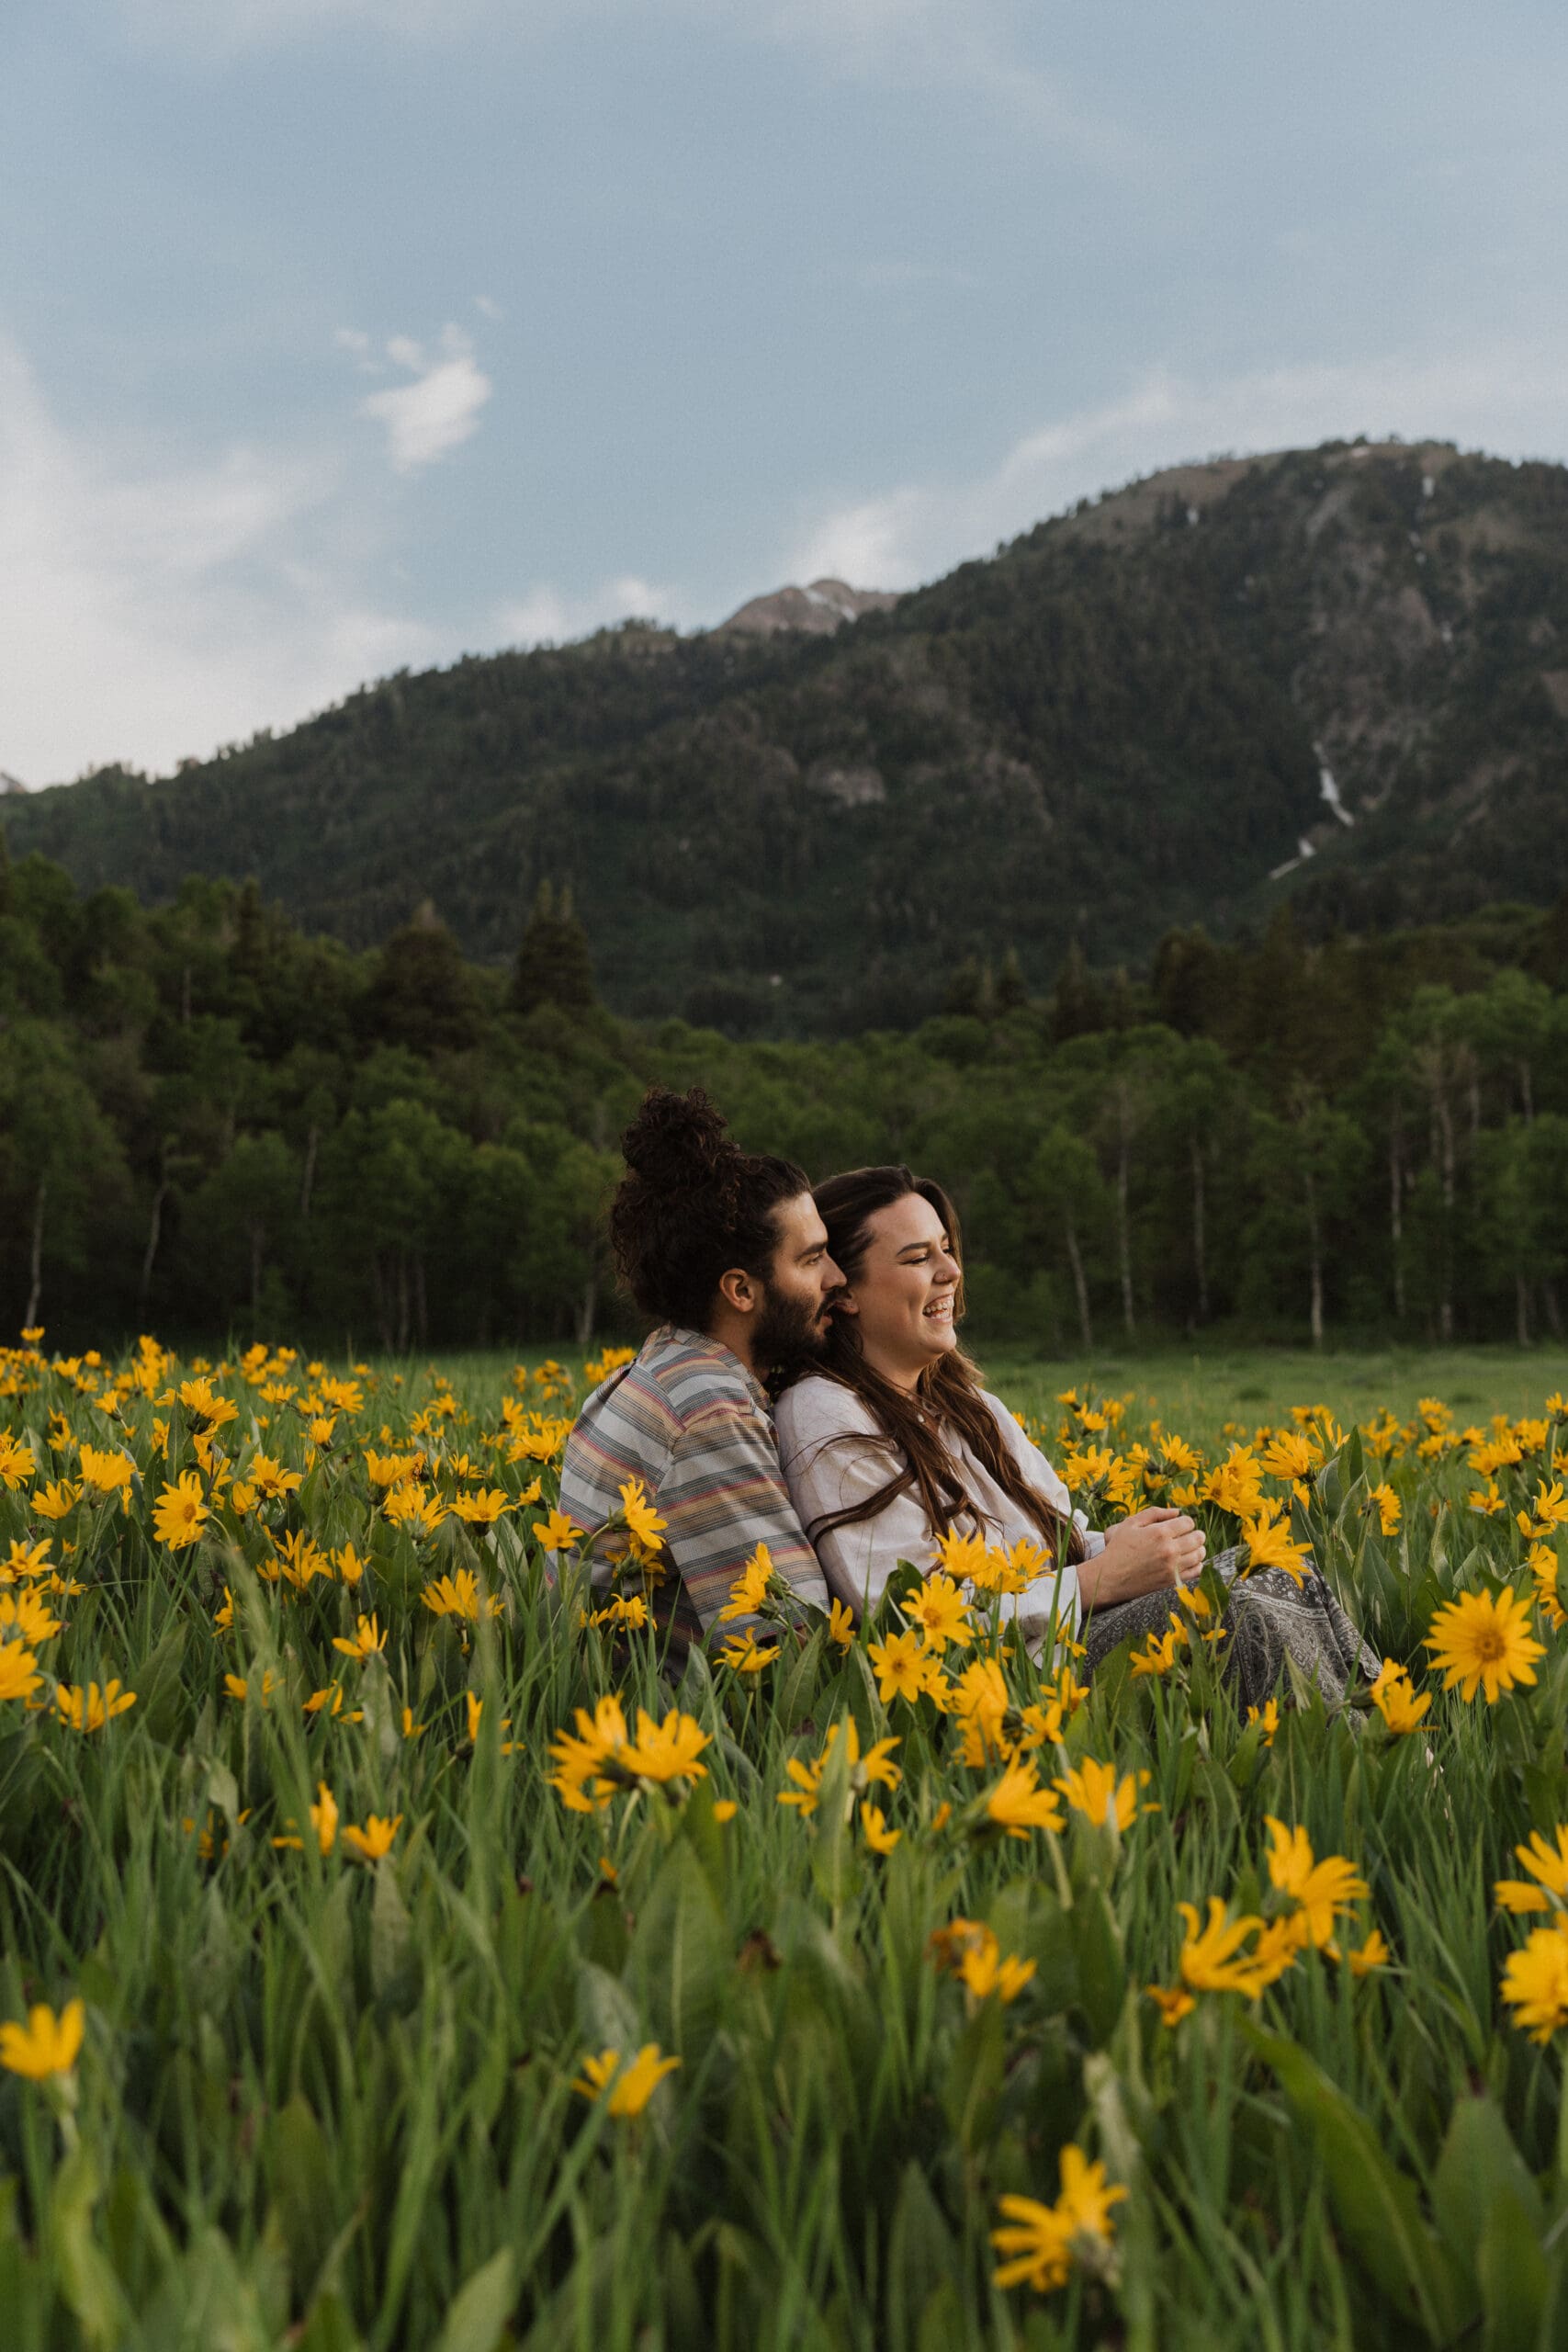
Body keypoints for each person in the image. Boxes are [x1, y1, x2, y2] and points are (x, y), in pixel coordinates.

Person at [776, 1165, 1378, 1707]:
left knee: (1275, 1570)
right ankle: (1360, 1782)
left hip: (1068, 1635)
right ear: (843, 1290)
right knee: (1241, 1612)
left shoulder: (967, 1406)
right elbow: (904, 1618)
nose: (951, 1271)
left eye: (946, 1249)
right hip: (1009, 1684)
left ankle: (1402, 1764)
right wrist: (1099, 1579)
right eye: (916, 1259)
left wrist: (1126, 1548)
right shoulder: (825, 1412)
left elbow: (1063, 1538)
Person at [556, 1086, 841, 1658]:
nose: (836, 1277)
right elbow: (793, 1646)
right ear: (740, 1290)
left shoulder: (665, 1362)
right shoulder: (706, 1407)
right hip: (665, 1730)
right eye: (811, 1260)